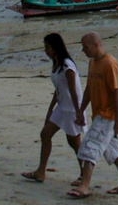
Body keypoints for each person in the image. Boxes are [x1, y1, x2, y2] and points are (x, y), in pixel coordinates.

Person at [67, 31, 118, 199]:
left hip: (107, 115)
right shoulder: (92, 63)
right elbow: (89, 89)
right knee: (113, 151)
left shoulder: (111, 64)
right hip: (98, 114)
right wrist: (81, 110)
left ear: (96, 45)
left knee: (90, 146)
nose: (83, 50)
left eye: (85, 47)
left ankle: (84, 186)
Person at [21, 33, 83, 185]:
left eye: (47, 47)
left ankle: (84, 175)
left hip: (71, 110)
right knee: (45, 134)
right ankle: (41, 172)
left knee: (74, 142)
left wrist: (79, 113)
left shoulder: (67, 66)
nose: (45, 50)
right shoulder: (56, 64)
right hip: (62, 108)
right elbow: (58, 90)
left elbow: (74, 90)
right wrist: (50, 109)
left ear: (55, 48)